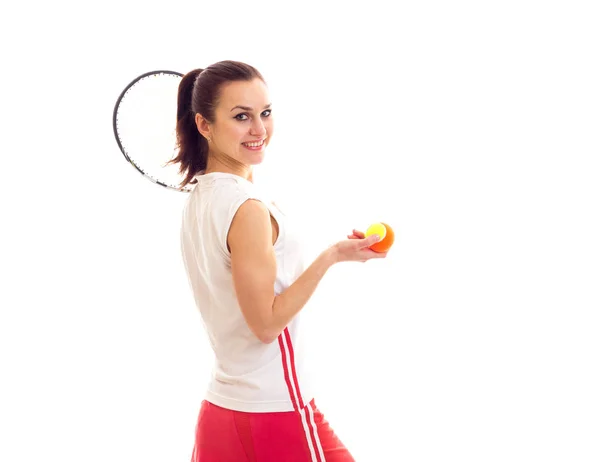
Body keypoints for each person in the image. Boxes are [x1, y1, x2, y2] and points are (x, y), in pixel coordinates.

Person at [171, 60, 388, 462]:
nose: (259, 130)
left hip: (221, 415)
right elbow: (266, 324)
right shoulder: (246, 207)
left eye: (265, 113)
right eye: (241, 117)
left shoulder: (201, 198)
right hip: (276, 413)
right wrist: (331, 257)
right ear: (204, 124)